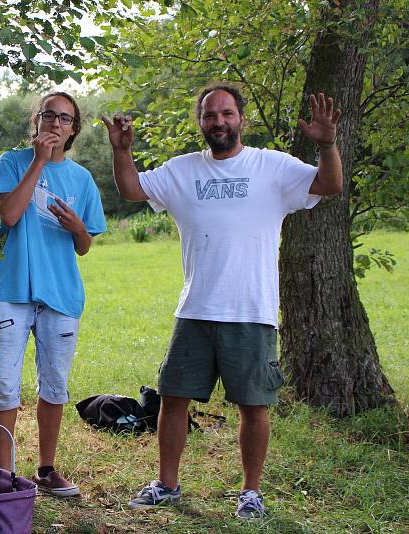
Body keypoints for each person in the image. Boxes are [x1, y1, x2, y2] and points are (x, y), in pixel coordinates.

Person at [103, 82, 342, 519]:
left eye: (227, 114)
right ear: (201, 122)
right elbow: (133, 189)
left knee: (254, 405)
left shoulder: (271, 167)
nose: (219, 122)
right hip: (195, 310)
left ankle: (251, 492)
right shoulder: (182, 171)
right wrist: (122, 152)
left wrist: (327, 145)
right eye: (210, 115)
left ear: (240, 119)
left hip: (251, 311)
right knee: (173, 398)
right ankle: (168, 484)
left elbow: (329, 184)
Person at [0, 91, 106, 497]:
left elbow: (86, 245)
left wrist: (77, 228)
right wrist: (38, 161)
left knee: (54, 386)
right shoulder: (10, 162)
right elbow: (10, 214)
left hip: (61, 295)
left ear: (74, 130)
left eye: (66, 118)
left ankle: (47, 470)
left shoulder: (82, 179)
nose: (56, 123)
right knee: (3, 385)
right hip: (12, 291)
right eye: (49, 115)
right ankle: (5, 477)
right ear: (36, 120)